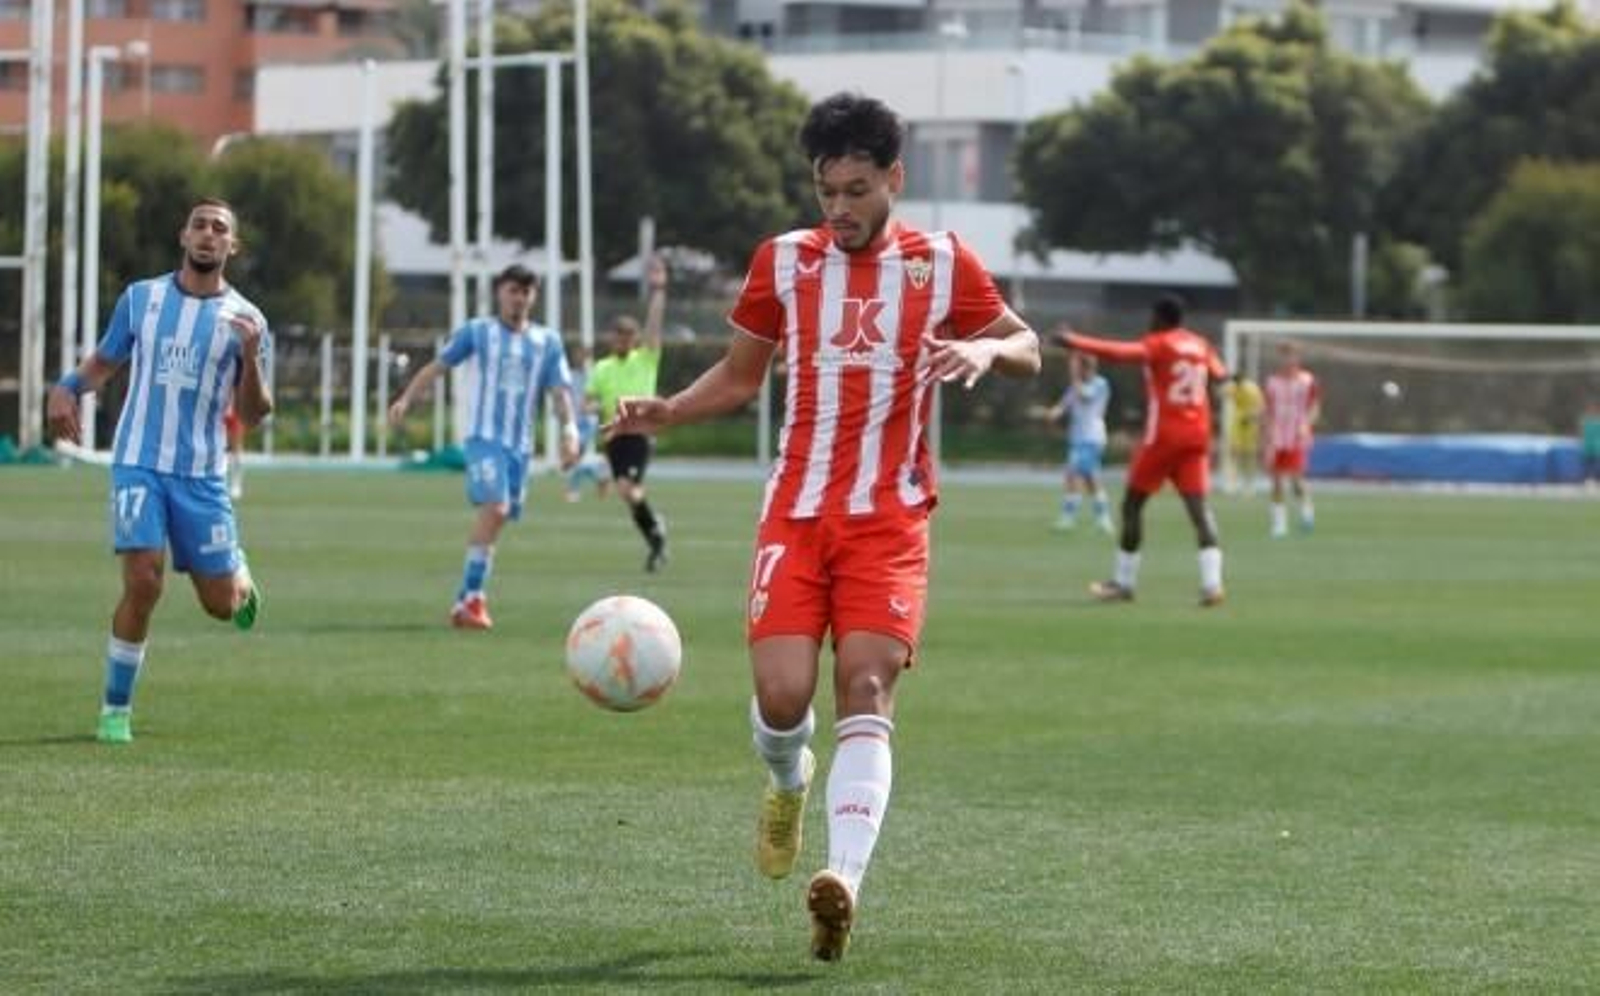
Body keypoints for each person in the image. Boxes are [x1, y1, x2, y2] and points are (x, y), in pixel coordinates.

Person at [607, 92, 1040, 962]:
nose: (838, 208)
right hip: (795, 516)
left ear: (893, 179)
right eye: (825, 191)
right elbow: (740, 377)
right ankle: (786, 781)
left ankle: (841, 882)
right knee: (782, 699)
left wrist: (986, 349)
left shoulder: (942, 263)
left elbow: (1026, 344)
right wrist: (671, 410)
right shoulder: (783, 261)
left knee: (867, 688)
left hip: (891, 519)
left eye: (855, 191)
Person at [45, 198, 270, 745]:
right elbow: (105, 360)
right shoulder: (141, 299)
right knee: (144, 581)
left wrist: (251, 356)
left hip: (201, 474)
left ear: (232, 246)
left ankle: (236, 570)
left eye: (220, 228)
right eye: (200, 225)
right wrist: (67, 388)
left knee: (221, 607)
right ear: (183, 235)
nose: (208, 234)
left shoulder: (249, 320)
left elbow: (256, 412)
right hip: (138, 463)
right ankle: (114, 710)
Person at [387, 263, 580, 630]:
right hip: (484, 440)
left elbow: (560, 392)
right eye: (512, 290)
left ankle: (465, 600)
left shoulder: (547, 342)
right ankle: (474, 599)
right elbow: (438, 367)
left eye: (526, 292)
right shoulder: (478, 332)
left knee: (499, 518)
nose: (519, 298)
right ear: (499, 293)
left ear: (534, 297)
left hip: (520, 448)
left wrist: (569, 430)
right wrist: (406, 399)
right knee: (496, 507)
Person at [1063, 295, 1228, 607]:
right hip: (1197, 437)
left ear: (1161, 318)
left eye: (1152, 317)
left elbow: (1119, 353)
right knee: (1198, 510)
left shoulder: (1159, 343)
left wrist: (1075, 341)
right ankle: (1213, 585)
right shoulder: (1200, 345)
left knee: (1132, 506)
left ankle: (1123, 583)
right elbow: (1221, 374)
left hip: (1163, 438)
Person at [588, 256, 670, 571]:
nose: (622, 341)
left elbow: (654, 327)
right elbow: (590, 400)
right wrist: (592, 408)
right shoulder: (602, 367)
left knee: (626, 488)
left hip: (639, 433)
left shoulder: (644, 360)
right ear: (612, 338)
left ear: (634, 340)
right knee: (627, 493)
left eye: (628, 336)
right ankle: (655, 536)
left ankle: (656, 531)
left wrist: (658, 291)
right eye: (618, 335)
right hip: (614, 437)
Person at [1044, 346, 1114, 534]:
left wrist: (1073, 373)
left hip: (1092, 438)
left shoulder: (1100, 384)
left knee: (1073, 475)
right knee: (1091, 479)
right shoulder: (1075, 387)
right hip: (1078, 438)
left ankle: (1068, 518)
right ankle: (1103, 519)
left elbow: (1085, 397)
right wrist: (1053, 414)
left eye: (1080, 367)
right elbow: (1063, 405)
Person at [1263, 342, 1320, 537]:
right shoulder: (1272, 382)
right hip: (1276, 437)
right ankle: (1279, 524)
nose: (1288, 360)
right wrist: (1267, 432)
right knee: (1276, 481)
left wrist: (1306, 424)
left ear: (1298, 358)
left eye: (1292, 355)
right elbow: (1268, 409)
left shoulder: (1307, 380)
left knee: (1296, 479)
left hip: (1297, 436)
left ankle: (1306, 512)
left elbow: (1314, 406)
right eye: (1285, 355)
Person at [563, 344, 610, 502]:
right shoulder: (568, 375)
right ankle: (600, 477)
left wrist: (595, 407)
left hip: (588, 422)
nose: (581, 358)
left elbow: (602, 397)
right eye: (578, 355)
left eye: (583, 355)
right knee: (573, 458)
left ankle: (573, 490)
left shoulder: (594, 375)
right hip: (574, 422)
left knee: (574, 456)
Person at [1222, 373, 1264, 496]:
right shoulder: (1234, 387)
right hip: (1238, 423)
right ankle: (1233, 482)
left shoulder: (1252, 389)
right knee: (1234, 453)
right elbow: (1221, 392)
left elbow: (1261, 407)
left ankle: (1249, 484)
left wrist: (1251, 416)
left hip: (1250, 425)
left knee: (1248, 456)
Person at [223, 402, 246, 500]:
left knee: (236, 451)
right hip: (219, 414)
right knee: (222, 451)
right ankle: (222, 482)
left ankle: (236, 484)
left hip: (235, 414)